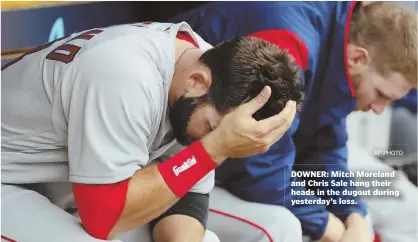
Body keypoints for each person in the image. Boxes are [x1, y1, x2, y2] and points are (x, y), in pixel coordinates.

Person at [1, 21, 303, 242]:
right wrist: (214, 150)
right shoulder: (125, 74)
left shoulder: (209, 73)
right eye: (211, 129)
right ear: (197, 81)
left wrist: (210, 148)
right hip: (10, 181)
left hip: (57, 185)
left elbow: (186, 201)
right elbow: (103, 219)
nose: (209, 138)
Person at [170, 2, 417, 242]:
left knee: (378, 217)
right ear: (358, 58)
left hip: (231, 159)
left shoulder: (337, 40)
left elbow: (324, 144)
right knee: (282, 227)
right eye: (381, 95)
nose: (379, 110)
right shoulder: (289, 40)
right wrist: (325, 224)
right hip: (169, 147)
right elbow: (255, 160)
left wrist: (352, 213)